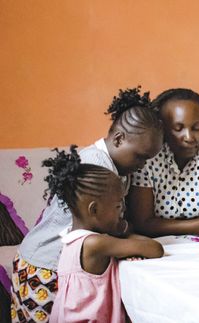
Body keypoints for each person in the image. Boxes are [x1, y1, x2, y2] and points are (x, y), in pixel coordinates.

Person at [11, 87, 163, 323]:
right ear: (119, 138)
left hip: (64, 265)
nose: (143, 165)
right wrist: (125, 230)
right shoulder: (97, 166)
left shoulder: (119, 168)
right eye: (140, 156)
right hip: (45, 265)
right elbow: (112, 227)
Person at [41, 147, 164, 323]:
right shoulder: (95, 243)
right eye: (117, 207)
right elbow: (155, 249)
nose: (121, 212)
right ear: (95, 209)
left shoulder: (70, 238)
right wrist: (123, 230)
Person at [127, 88, 199, 237]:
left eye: (197, 128)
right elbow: (142, 223)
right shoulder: (149, 157)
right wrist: (197, 226)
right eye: (178, 128)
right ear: (162, 128)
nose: (189, 137)